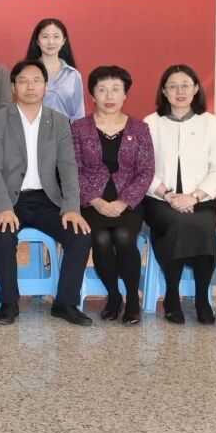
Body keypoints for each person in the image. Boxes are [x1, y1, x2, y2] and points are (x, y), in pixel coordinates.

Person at [0, 59, 92, 326]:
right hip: (10, 198)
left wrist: (72, 208)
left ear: (45, 86)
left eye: (36, 81)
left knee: (80, 236)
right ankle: (9, 302)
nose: (30, 86)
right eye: (23, 81)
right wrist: (3, 208)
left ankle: (65, 303)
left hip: (47, 199)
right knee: (3, 235)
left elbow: (68, 167)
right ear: (13, 87)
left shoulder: (59, 121)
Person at [69, 66, 154, 325]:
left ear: (125, 94)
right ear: (92, 95)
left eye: (116, 89)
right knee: (101, 238)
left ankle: (132, 298)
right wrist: (95, 200)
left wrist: (124, 201)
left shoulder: (139, 128)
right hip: (91, 202)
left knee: (124, 236)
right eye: (102, 89)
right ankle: (114, 296)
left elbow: (146, 171)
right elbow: (73, 168)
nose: (109, 95)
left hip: (128, 203)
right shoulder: (79, 128)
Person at [143, 64, 216, 325]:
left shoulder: (210, 123)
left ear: (196, 89)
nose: (179, 91)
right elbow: (142, 169)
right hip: (159, 200)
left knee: (202, 227)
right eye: (172, 86)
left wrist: (195, 196)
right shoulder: (151, 123)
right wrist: (169, 195)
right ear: (164, 92)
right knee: (178, 224)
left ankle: (202, 299)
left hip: (201, 200)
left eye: (185, 85)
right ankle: (171, 295)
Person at [25, 18, 84, 121]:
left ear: (63, 40)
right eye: (45, 37)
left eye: (56, 36)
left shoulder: (73, 74)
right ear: (37, 41)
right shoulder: (27, 72)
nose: (51, 42)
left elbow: (78, 114)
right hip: (34, 128)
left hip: (65, 130)